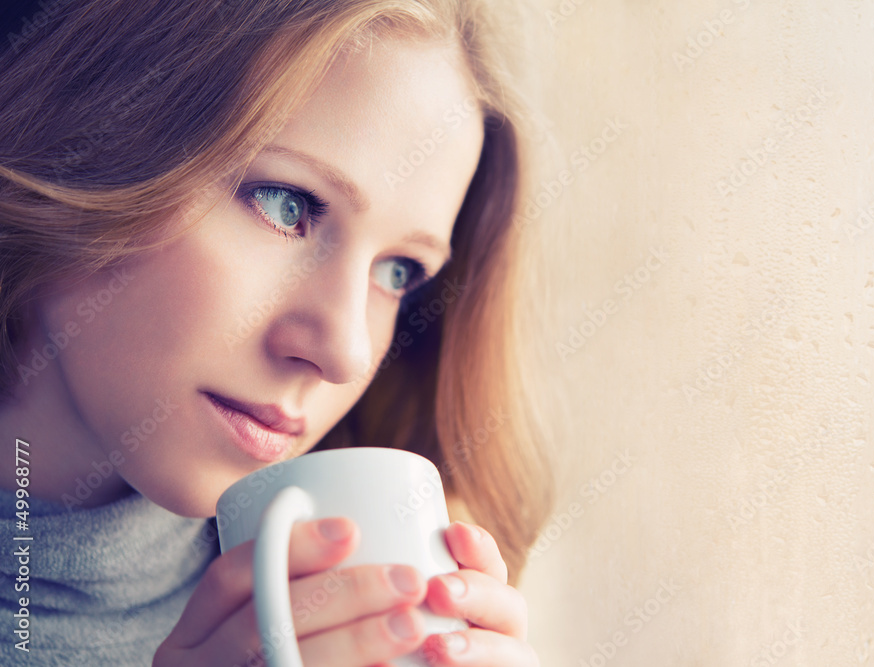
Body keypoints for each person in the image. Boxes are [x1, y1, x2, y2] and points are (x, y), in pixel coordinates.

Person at [0, 1, 552, 664]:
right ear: (80, 130)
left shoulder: (379, 596)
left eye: (399, 270)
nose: (344, 350)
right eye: (285, 205)